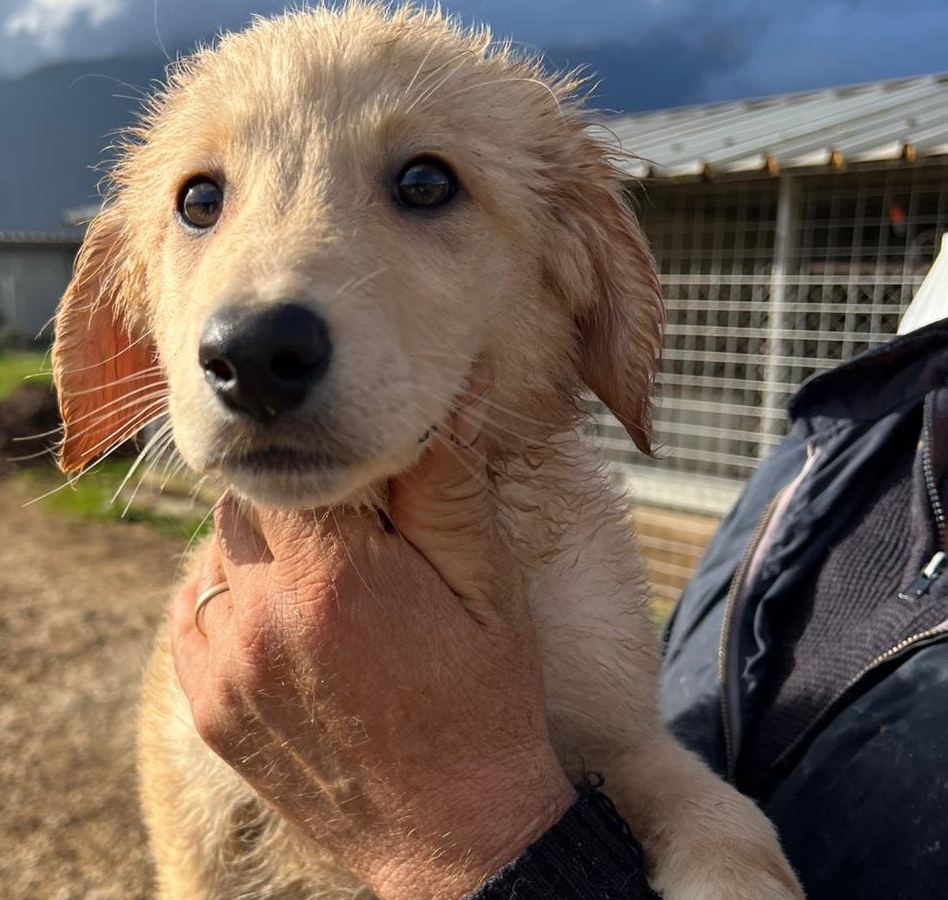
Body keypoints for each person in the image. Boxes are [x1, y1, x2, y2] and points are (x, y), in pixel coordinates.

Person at [171, 317, 948, 899]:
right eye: (200, 201)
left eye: (423, 187)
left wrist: (478, 834)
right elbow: (634, 747)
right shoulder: (851, 423)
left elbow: (617, 747)